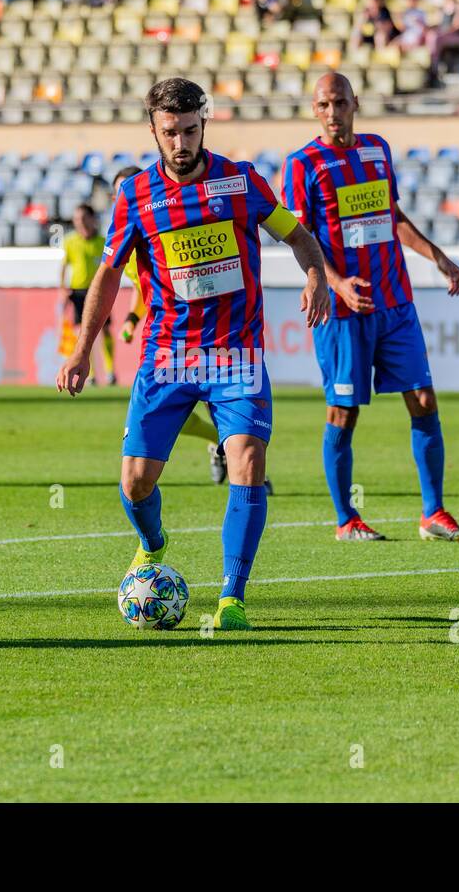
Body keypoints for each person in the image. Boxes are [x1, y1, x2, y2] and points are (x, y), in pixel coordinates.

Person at [56, 78, 331, 630]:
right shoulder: (135, 196)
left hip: (236, 353)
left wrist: (317, 274)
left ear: (204, 124)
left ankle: (233, 596)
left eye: (188, 130)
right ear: (154, 133)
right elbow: (108, 276)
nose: (180, 143)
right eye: (169, 133)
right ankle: (153, 542)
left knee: (247, 462)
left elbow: (296, 234)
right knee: (136, 481)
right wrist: (83, 349)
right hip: (167, 356)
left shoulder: (241, 181)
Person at [284, 73, 459, 543]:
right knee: (343, 412)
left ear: (355, 103)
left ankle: (434, 513)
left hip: (395, 302)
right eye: (324, 105)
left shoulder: (377, 150)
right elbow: (299, 238)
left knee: (425, 401)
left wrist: (438, 257)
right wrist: (334, 283)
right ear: (314, 110)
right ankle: (346, 519)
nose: (333, 113)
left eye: (341, 103)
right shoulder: (302, 164)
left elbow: (393, 217)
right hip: (345, 311)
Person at [112, 165, 274, 489]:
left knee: (238, 425)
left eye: (123, 190)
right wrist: (132, 318)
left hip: (219, 338)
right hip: (168, 344)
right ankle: (219, 443)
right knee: (181, 417)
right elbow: (143, 289)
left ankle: (248, 467)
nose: (121, 197)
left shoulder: (170, 220)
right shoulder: (132, 236)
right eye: (117, 192)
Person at [59, 203, 116, 387]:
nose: (80, 223)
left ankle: (110, 372)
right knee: (82, 333)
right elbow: (63, 266)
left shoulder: (102, 242)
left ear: (92, 219)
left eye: (83, 219)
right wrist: (63, 290)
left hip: (99, 292)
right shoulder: (70, 241)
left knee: (106, 330)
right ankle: (90, 374)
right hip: (78, 292)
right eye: (76, 220)